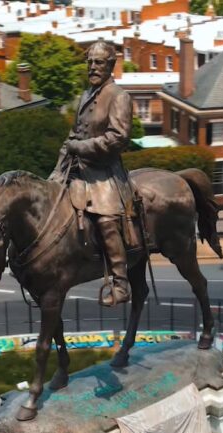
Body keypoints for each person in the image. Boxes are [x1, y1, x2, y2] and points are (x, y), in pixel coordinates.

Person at [50, 40, 135, 307]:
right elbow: (72, 136)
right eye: (89, 62)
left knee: (106, 221)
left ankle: (121, 284)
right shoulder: (85, 95)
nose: (93, 67)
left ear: (111, 65)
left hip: (104, 173)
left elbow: (117, 138)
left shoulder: (119, 96)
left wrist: (81, 147)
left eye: (98, 62)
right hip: (77, 170)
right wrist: (56, 172)